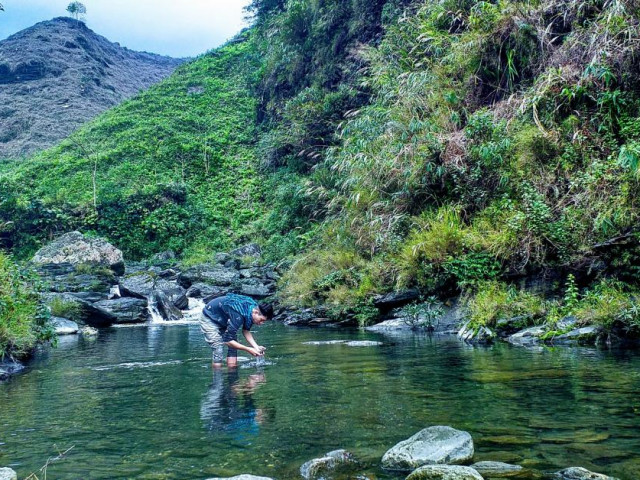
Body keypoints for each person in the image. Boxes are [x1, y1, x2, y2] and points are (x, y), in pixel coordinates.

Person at [199, 293, 273, 368]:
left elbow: (246, 331)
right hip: (209, 317)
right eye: (261, 320)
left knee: (234, 343)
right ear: (256, 312)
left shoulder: (251, 310)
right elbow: (228, 341)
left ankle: (232, 371)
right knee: (218, 348)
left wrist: (256, 347)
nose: (261, 323)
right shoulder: (239, 315)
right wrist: (249, 349)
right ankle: (217, 375)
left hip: (223, 318)